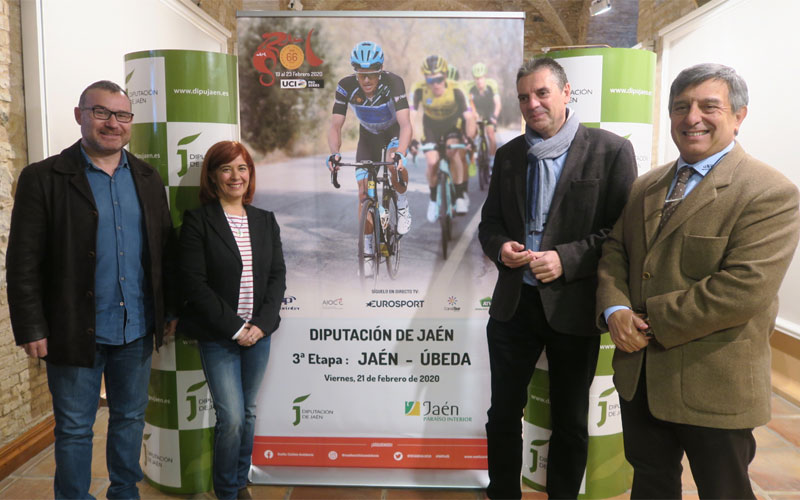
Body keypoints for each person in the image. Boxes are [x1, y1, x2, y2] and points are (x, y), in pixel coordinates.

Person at [596, 63, 800, 499]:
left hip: (714, 384)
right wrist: (614, 309)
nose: (692, 118)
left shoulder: (769, 192)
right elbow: (616, 250)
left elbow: (743, 288)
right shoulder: (647, 186)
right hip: (641, 380)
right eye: (681, 107)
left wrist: (645, 320)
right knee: (650, 485)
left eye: (710, 106)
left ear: (739, 116)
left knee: (723, 490)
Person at [6, 80, 177, 499]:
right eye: (101, 113)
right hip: (72, 327)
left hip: (135, 327)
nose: (112, 124)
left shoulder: (148, 177)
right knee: (76, 428)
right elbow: (22, 260)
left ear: (130, 123)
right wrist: (31, 326)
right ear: (80, 115)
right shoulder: (44, 177)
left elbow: (164, 251)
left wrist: (168, 311)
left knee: (130, 419)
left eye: (121, 116)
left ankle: (124, 493)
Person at [478, 57, 637, 499]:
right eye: (524, 97)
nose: (532, 104)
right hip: (514, 306)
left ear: (567, 94)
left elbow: (622, 234)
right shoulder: (509, 155)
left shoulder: (610, 151)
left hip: (573, 307)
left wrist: (567, 259)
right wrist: (501, 248)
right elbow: (489, 225)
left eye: (542, 93)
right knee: (503, 414)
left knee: (570, 419)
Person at [178, 140, 286, 500]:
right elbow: (194, 284)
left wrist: (261, 325)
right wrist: (237, 328)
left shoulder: (265, 220)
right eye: (226, 169)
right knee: (233, 417)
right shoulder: (198, 222)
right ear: (212, 176)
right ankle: (226, 491)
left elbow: (277, 277)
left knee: (250, 412)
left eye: (242, 168)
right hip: (219, 335)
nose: (235, 176)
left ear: (250, 174)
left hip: (260, 333)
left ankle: (240, 483)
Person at [327, 41, 412, 276]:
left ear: (380, 70)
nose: (366, 80)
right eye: (361, 74)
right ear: (356, 72)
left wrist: (401, 154)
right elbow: (336, 125)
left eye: (371, 74)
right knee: (364, 193)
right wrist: (334, 153)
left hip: (393, 132)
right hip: (368, 136)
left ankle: (402, 205)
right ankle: (367, 249)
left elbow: (406, 124)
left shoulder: (394, 82)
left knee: (394, 161)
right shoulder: (345, 86)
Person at [410, 55, 476, 220]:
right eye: (430, 80)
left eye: (439, 79)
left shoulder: (457, 89)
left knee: (453, 153)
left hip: (451, 126)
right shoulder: (418, 89)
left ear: (445, 75)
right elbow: (411, 116)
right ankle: (433, 200)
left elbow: (469, 118)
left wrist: (468, 139)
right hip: (431, 127)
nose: (435, 84)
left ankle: (460, 195)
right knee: (432, 162)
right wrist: (412, 139)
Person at [467, 62, 502, 161]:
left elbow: (498, 104)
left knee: (490, 134)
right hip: (477, 112)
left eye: (481, 78)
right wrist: (473, 115)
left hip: (490, 112)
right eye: (476, 78)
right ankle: (473, 155)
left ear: (485, 77)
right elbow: (470, 104)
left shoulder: (492, 85)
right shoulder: (470, 88)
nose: (479, 81)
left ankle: (492, 161)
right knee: (472, 133)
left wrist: (494, 117)